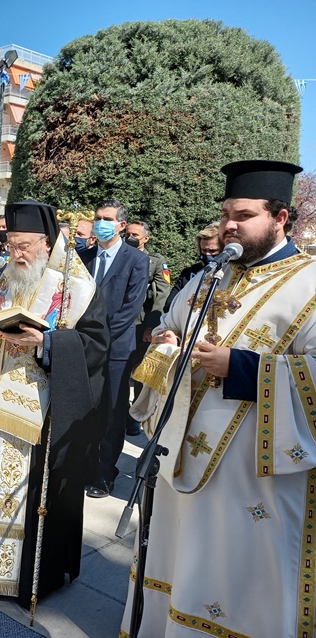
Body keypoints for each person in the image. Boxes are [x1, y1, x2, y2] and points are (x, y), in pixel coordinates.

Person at [121, 160, 314, 637]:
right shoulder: (210, 278)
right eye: (227, 212)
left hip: (254, 474)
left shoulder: (310, 284)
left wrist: (243, 367)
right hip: (182, 459)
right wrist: (165, 341)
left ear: (280, 218)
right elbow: (169, 327)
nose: (230, 223)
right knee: (177, 561)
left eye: (243, 215)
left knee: (239, 579)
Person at [0, 200, 109, 606]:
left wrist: (48, 342)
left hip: (41, 412)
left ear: (47, 242)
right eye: (10, 243)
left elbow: (96, 346)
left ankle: (25, 579)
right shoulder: (7, 277)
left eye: (23, 245)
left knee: (27, 493)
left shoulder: (75, 284)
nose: (16, 253)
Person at [79, 200, 149, 498]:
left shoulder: (136, 260)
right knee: (86, 410)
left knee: (111, 412)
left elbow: (131, 307)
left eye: (107, 219)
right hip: (82, 347)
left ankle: (106, 473)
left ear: (121, 225)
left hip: (116, 349)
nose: (100, 223)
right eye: (97, 218)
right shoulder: (84, 256)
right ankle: (83, 465)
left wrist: (100, 338)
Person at [124, 220, 171, 435]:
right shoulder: (119, 254)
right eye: (128, 233)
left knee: (140, 370)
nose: (130, 237)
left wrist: (151, 327)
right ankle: (117, 410)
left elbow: (162, 294)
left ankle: (135, 415)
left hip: (140, 323)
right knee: (119, 370)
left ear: (146, 238)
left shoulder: (155, 261)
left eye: (135, 234)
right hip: (119, 323)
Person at [164, 221, 222, 312]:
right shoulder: (189, 273)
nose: (207, 254)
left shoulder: (233, 274)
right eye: (204, 250)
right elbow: (169, 305)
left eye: (212, 251)